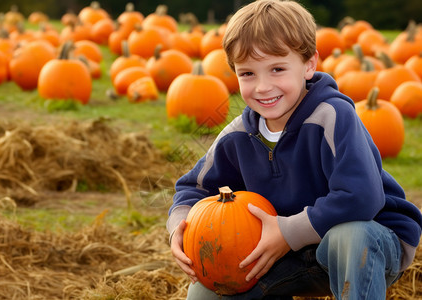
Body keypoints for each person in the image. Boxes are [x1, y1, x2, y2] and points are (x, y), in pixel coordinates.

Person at [167, 0, 422, 299]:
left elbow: (362, 197)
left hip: (367, 246)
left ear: (309, 64)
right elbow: (192, 188)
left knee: (350, 235)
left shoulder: (332, 117)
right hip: (283, 255)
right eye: (248, 73)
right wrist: (180, 229)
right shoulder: (237, 136)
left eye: (277, 69)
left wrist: (288, 232)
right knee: (206, 292)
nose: (262, 87)